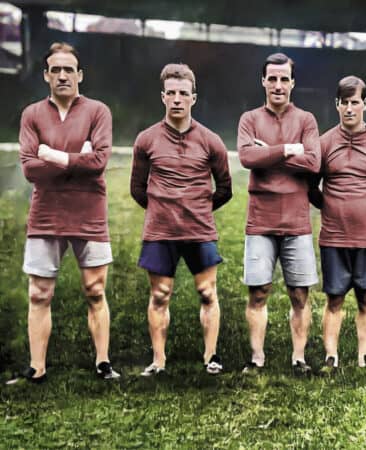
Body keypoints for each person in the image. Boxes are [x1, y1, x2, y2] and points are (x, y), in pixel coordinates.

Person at [10, 42, 118, 384]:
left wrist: (53, 156)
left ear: (79, 75)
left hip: (89, 211)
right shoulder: (32, 114)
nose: (62, 76)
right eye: (55, 70)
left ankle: (103, 362)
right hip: (46, 213)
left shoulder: (98, 111)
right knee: (39, 292)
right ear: (46, 76)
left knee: (95, 290)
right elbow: (29, 169)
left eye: (68, 69)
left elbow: (99, 163)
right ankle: (37, 367)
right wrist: (77, 158)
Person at [130, 63, 232, 376]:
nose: (177, 99)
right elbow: (137, 189)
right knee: (160, 295)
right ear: (163, 97)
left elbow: (225, 188)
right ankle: (158, 361)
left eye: (183, 93)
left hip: (199, 230)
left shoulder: (211, 140)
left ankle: (211, 356)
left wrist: (196, 208)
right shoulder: (146, 140)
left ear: (193, 98)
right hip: (160, 231)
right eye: (171, 93)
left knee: (207, 293)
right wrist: (164, 209)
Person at [308, 76, 366, 374]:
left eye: (355, 102)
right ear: (337, 105)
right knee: (334, 297)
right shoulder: (323, 144)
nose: (349, 109)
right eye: (344, 103)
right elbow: (311, 187)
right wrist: (333, 207)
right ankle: (330, 358)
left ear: (365, 104)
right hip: (333, 236)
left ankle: (364, 358)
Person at [237, 52, 321, 374]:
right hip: (261, 220)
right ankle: (257, 359)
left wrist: (267, 153)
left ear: (292, 83)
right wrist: (289, 149)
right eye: (272, 78)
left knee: (299, 294)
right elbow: (246, 157)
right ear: (263, 81)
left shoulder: (307, 120)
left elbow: (314, 163)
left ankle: (298, 358)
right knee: (258, 292)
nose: (278, 85)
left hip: (297, 221)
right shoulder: (249, 119)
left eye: (284, 79)